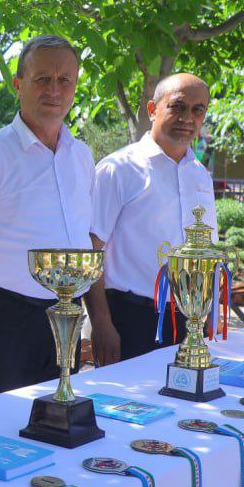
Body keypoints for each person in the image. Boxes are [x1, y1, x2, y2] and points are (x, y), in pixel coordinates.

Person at [0, 35, 98, 397]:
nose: (54, 89)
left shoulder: (81, 156)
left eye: (65, 80)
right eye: (42, 79)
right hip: (5, 318)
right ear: (19, 85)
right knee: (0, 429)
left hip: (67, 313)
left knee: (59, 417)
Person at [87, 73, 218, 365]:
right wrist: (101, 323)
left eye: (198, 110)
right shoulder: (118, 169)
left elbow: (206, 251)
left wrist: (207, 312)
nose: (188, 117)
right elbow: (91, 250)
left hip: (187, 317)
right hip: (130, 318)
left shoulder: (200, 175)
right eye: (178, 106)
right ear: (151, 110)